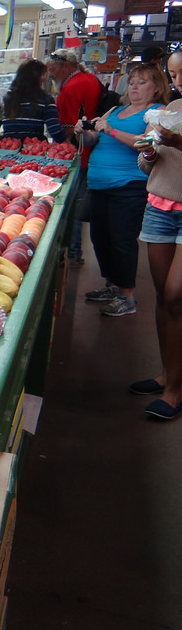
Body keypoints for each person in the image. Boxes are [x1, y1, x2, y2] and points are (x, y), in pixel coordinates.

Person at [74, 62, 170, 317]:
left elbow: (148, 144)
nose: (135, 86)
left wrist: (112, 130)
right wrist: (83, 131)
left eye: (143, 82)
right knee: (100, 237)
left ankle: (127, 295)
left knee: (122, 240)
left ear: (157, 87)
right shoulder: (116, 109)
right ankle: (112, 284)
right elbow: (94, 138)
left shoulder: (156, 112)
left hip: (129, 186)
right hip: (98, 184)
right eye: (133, 81)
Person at [129, 84, 182, 418]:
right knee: (163, 296)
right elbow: (147, 165)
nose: (179, 81)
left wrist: (178, 142)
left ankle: (177, 391)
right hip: (160, 209)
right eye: (175, 74)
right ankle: (168, 375)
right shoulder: (173, 108)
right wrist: (149, 150)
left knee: (177, 295)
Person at [48, 49, 103, 267]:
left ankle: (71, 253)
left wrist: (60, 152)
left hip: (80, 153)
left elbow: (69, 129)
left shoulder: (71, 87)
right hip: (90, 151)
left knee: (73, 205)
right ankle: (75, 251)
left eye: (53, 71)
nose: (52, 76)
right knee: (79, 202)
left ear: (65, 66)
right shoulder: (89, 78)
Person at [0, 58, 67, 142]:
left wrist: (2, 136)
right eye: (42, 74)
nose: (45, 78)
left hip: (9, 149)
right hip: (35, 150)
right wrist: (67, 142)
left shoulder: (6, 99)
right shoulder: (46, 99)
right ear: (34, 77)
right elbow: (54, 129)